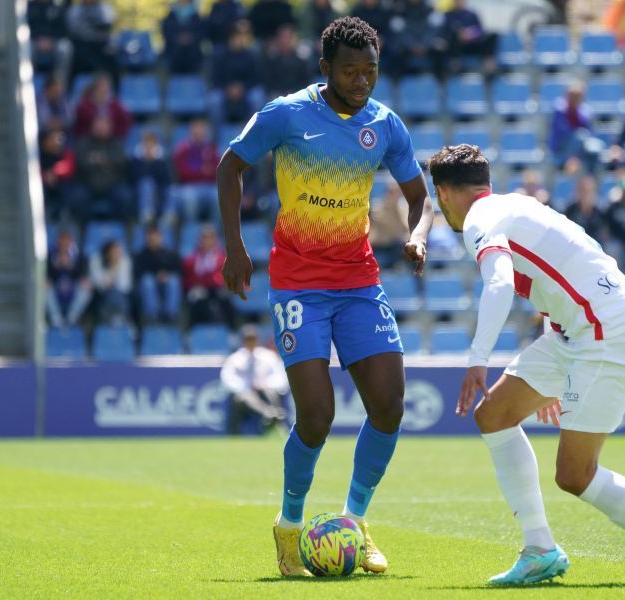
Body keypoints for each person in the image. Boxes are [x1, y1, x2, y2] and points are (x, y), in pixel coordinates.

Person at [426, 143, 625, 585]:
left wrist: (477, 360)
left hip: (602, 331)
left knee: (574, 475)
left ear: (443, 194)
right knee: (495, 414)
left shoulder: (479, 220)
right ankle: (539, 549)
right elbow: (564, 270)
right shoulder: (517, 204)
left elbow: (500, 284)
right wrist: (551, 366)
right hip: (576, 328)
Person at [216, 17, 433, 577]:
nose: (362, 81)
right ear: (325, 69)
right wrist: (235, 247)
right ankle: (289, 529)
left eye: (370, 71)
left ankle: (355, 525)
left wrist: (417, 235)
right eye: (350, 71)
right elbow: (230, 167)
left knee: (388, 404)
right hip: (298, 283)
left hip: (359, 280)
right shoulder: (286, 114)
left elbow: (419, 196)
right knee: (316, 416)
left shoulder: (385, 124)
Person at [221, 325, 290, 434]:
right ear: (243, 341)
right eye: (248, 339)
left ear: (257, 340)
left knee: (269, 392)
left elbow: (281, 377)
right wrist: (246, 387)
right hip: (244, 394)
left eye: (253, 339)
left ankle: (275, 426)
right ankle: (271, 414)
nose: (250, 342)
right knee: (245, 397)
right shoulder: (235, 359)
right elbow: (227, 379)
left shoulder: (268, 356)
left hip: (266, 391)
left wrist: (265, 384)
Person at [71, 116, 132, 224]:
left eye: (104, 126)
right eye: (98, 126)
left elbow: (121, 162)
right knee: (78, 197)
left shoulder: (117, 143)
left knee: (124, 197)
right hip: (87, 183)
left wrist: (98, 161)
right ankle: (81, 229)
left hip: (113, 184)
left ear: (110, 128)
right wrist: (104, 162)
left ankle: (121, 228)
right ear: (93, 127)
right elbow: (80, 161)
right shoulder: (83, 143)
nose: (101, 129)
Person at [210, 20, 264, 127]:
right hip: (224, 91)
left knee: (257, 97)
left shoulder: (251, 55)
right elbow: (215, 78)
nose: (241, 39)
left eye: (244, 35)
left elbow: (255, 78)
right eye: (238, 35)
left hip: (246, 91)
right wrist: (228, 89)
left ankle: (252, 133)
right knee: (214, 100)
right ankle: (216, 138)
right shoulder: (220, 55)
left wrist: (242, 88)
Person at [548, 81, 602, 176]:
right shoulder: (559, 110)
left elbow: (590, 133)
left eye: (578, 96)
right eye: (572, 96)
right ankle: (570, 164)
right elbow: (562, 132)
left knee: (596, 147)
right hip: (562, 148)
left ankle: (591, 177)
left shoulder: (586, 111)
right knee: (579, 136)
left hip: (581, 148)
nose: (575, 99)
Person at [182, 225, 233, 326]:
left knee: (225, 299)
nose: (207, 241)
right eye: (204, 238)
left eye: (210, 238)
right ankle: (194, 330)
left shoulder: (223, 257)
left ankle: (230, 330)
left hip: (217, 289)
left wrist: (205, 279)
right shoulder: (192, 259)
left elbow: (225, 277)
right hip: (199, 289)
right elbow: (188, 278)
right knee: (196, 300)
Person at [173, 119, 221, 221]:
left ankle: (215, 230)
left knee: (218, 196)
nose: (199, 132)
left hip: (210, 185)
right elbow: (182, 172)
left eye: (201, 129)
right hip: (189, 185)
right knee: (190, 199)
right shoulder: (183, 149)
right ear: (191, 131)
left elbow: (218, 169)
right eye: (196, 129)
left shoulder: (211, 148)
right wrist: (202, 172)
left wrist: (206, 172)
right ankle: (191, 229)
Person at [134, 225, 181, 324]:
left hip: (166, 283)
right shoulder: (141, 255)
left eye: (155, 238)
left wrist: (166, 275)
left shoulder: (170, 254)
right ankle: (152, 316)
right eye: (150, 238)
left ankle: (170, 315)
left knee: (174, 281)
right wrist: (156, 276)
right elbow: (138, 273)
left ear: (161, 238)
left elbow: (177, 270)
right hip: (149, 285)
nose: (153, 241)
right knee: (147, 281)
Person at [46, 229, 92, 328]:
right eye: (61, 241)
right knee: (44, 288)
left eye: (67, 242)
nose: (64, 244)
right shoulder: (49, 255)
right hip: (56, 287)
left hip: (72, 287)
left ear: (71, 242)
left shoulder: (79, 256)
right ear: (57, 241)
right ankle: (56, 319)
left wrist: (70, 267)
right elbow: (47, 277)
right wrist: (56, 267)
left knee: (85, 289)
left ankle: (72, 318)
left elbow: (82, 277)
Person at [440, 0, 498, 75]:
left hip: (472, 44)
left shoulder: (472, 15)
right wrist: (459, 35)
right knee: (453, 37)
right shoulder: (448, 16)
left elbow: (480, 31)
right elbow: (443, 33)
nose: (459, 2)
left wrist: (470, 34)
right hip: (457, 47)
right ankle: (455, 63)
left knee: (492, 35)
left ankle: (488, 62)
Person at [129, 129, 173, 225]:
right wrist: (146, 162)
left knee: (172, 191)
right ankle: (146, 214)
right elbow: (133, 178)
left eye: (151, 143)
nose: (148, 146)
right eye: (146, 143)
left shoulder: (162, 159)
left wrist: (154, 161)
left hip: (159, 189)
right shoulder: (136, 159)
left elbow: (167, 179)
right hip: (139, 190)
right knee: (146, 183)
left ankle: (168, 215)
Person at [259, 25, 313, 99]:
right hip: (276, 94)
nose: (286, 40)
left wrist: (293, 92)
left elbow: (305, 81)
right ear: (278, 39)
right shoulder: (271, 59)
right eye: (283, 37)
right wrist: (281, 92)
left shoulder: (301, 59)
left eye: (289, 37)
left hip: (297, 94)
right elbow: (267, 80)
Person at [73, 74, 132, 140]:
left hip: (110, 141)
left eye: (106, 88)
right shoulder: (84, 106)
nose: (104, 90)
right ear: (94, 89)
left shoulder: (116, 105)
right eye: (101, 87)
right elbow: (78, 126)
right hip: (88, 141)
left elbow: (126, 122)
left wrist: (112, 131)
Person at [89, 240, 132, 325]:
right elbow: (97, 284)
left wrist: (116, 268)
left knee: (116, 293)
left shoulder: (125, 261)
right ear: (108, 253)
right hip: (100, 294)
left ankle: (118, 319)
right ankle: (113, 320)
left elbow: (125, 286)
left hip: (120, 295)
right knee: (111, 293)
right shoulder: (96, 259)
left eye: (119, 252)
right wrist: (110, 272)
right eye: (115, 252)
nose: (118, 254)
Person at [369, 182, 410, 270]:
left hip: (395, 246)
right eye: (391, 192)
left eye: (398, 193)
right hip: (379, 245)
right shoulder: (378, 208)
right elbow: (385, 224)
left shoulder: (403, 208)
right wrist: (391, 208)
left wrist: (397, 210)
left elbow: (406, 227)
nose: (394, 196)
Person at [161, 0, 205, 74]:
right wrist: (177, 38)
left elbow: (201, 33)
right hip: (174, 55)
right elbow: (166, 33)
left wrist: (190, 38)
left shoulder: (197, 16)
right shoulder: (171, 15)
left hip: (193, 55)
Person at [562, 175, 605, 243]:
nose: (586, 194)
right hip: (575, 244)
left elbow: (604, 234)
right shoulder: (570, 210)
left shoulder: (599, 211)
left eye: (589, 191)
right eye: (583, 190)